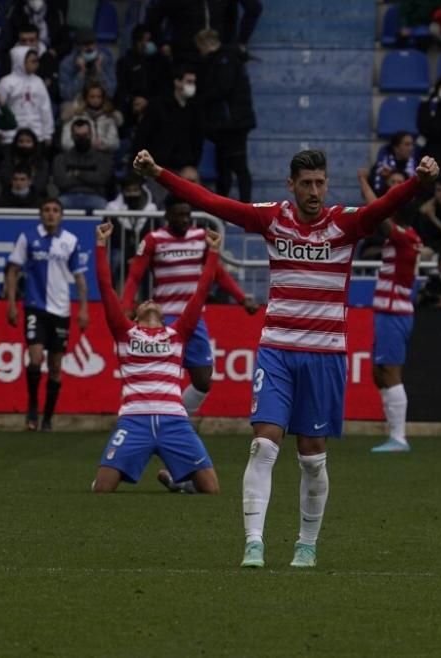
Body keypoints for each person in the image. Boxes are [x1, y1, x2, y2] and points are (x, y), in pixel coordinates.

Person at [133, 147, 439, 568]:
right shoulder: (272, 218)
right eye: (306, 184)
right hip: (277, 351)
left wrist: (418, 183)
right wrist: (159, 172)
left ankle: (306, 545)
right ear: (290, 186)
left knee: (312, 457)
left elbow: (387, 204)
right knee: (262, 445)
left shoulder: (346, 224)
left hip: (324, 356)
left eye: (320, 183)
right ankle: (253, 543)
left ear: (327, 185)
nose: (315, 191)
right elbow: (213, 203)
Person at [91, 221, 222, 495]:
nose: (150, 299)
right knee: (102, 490)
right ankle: (174, 476)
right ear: (136, 315)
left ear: (164, 315)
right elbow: (105, 289)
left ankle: (179, 482)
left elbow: (199, 293)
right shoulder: (125, 332)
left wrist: (212, 253)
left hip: (174, 420)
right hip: (134, 420)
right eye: (144, 301)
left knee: (211, 490)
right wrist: (100, 246)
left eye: (154, 300)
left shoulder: (178, 332)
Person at [121, 195, 257, 416]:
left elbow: (218, 273)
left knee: (203, 381)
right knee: (161, 377)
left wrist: (242, 298)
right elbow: (135, 275)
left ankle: (177, 419)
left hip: (193, 319)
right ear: (167, 216)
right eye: (179, 215)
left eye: (188, 215)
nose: (185, 219)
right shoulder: (154, 239)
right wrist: (126, 305)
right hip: (163, 320)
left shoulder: (200, 237)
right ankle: (149, 420)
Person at [5, 198, 89, 431]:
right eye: (46, 210)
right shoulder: (28, 237)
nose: (51, 214)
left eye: (55, 211)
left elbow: (79, 276)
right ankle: (32, 409)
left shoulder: (70, 241)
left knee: (55, 365)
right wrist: (11, 303)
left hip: (61, 309)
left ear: (61, 215)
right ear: (40, 214)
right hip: (35, 306)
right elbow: (13, 270)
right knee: (34, 358)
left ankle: (48, 418)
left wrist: (83, 307)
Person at [360, 183, 424, 454]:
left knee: (391, 372)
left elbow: (377, 212)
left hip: (393, 313)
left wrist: (364, 182)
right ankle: (394, 434)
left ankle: (399, 437)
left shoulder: (402, 237)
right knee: (378, 373)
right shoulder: (408, 236)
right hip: (388, 312)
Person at [195, 29, 256, 203]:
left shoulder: (225, 60)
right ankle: (225, 207)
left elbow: (223, 88)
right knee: (224, 167)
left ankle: (245, 207)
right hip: (226, 123)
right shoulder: (221, 60)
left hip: (233, 123)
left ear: (206, 44)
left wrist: (199, 98)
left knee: (237, 165)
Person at [132, 65, 203, 174]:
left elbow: (197, 140)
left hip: (184, 166)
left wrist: (192, 163)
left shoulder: (195, 109)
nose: (192, 85)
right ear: (177, 82)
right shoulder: (158, 106)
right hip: (159, 165)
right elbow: (143, 135)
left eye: (194, 82)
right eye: (189, 81)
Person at [0, 45, 54, 145]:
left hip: (36, 134)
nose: (37, 64)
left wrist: (48, 133)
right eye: (33, 61)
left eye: (37, 61)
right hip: (11, 135)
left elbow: (45, 108)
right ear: (20, 61)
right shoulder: (6, 82)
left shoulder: (38, 81)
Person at [53, 119, 113, 211]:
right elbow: (61, 182)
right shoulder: (61, 158)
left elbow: (101, 180)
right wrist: (90, 177)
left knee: (108, 209)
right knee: (53, 209)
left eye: (85, 135)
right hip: (67, 196)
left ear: (91, 135)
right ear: (72, 136)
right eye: (78, 136)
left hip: (95, 197)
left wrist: (77, 174)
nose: (82, 139)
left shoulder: (102, 158)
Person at [59, 80, 122, 154]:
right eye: (92, 97)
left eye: (99, 97)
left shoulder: (109, 117)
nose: (96, 100)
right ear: (86, 98)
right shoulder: (75, 116)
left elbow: (115, 143)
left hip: (103, 157)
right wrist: (85, 146)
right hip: (79, 157)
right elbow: (65, 143)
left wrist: (104, 145)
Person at [57, 27, 116, 103]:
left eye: (92, 43)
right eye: (85, 44)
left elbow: (110, 93)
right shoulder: (67, 63)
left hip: (100, 101)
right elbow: (67, 95)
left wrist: (99, 70)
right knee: (66, 110)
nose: (90, 47)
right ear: (77, 46)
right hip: (77, 102)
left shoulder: (106, 59)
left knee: (116, 114)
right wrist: (81, 72)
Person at [370, 132, 418, 197]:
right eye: (407, 144)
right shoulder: (381, 167)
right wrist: (385, 178)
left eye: (412, 144)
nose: (411, 148)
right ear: (396, 147)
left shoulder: (417, 166)